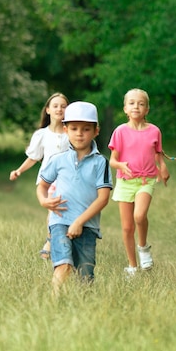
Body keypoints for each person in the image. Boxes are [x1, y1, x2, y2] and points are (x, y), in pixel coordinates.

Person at [36, 101, 112, 295]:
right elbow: (42, 186)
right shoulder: (58, 160)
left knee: (85, 276)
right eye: (74, 128)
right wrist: (44, 201)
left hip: (88, 226)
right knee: (63, 265)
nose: (79, 133)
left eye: (86, 129)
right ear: (65, 129)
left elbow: (103, 198)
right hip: (60, 221)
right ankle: (53, 302)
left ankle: (83, 308)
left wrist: (79, 222)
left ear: (96, 131)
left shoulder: (100, 162)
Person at [108, 89, 170, 277]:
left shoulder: (154, 131)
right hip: (125, 182)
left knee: (139, 215)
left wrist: (163, 166)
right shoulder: (120, 131)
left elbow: (158, 152)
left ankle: (143, 247)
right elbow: (112, 160)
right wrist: (120, 164)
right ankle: (133, 267)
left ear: (147, 109)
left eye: (141, 103)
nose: (136, 106)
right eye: (132, 103)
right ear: (125, 108)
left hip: (146, 179)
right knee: (127, 227)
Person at [10, 92, 69, 259]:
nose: (59, 109)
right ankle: (50, 241)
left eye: (63, 106)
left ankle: (62, 241)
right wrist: (19, 170)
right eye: (55, 106)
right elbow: (34, 157)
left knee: (67, 210)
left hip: (69, 178)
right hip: (49, 180)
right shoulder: (42, 134)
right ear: (48, 110)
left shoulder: (71, 132)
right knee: (53, 210)